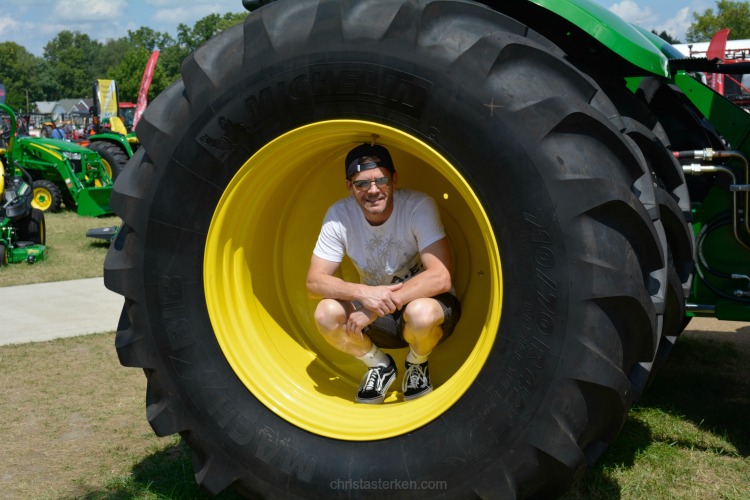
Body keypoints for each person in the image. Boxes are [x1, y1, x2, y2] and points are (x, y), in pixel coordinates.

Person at [306, 144, 461, 404]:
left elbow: (440, 277)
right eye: (361, 184)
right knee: (325, 314)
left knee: (420, 314)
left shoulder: (417, 206)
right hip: (376, 314)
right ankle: (378, 365)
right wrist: (363, 293)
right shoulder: (339, 216)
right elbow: (314, 283)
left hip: (428, 307)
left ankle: (417, 362)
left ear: (394, 180)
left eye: (381, 180)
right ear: (349, 187)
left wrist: (376, 307)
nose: (373, 190)